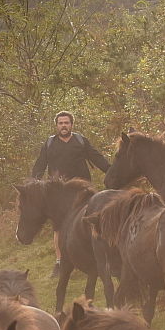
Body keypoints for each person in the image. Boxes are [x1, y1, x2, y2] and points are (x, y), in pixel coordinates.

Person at [30, 111, 110, 276]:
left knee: (88, 221)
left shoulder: (81, 141)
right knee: (59, 227)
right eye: (60, 123)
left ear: (71, 125)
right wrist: (34, 183)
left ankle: (92, 258)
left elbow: (97, 158)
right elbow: (40, 165)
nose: (63, 126)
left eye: (66, 123)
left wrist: (111, 171)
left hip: (83, 191)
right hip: (59, 193)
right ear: (56, 125)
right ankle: (60, 263)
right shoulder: (50, 143)